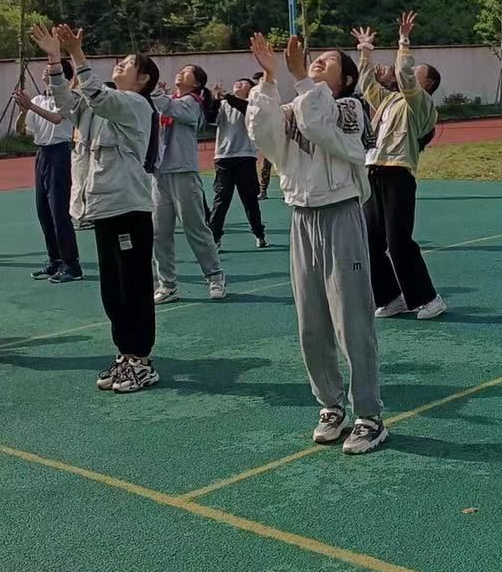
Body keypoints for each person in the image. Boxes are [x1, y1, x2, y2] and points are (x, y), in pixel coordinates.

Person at [247, 32, 385, 455]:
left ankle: (369, 415)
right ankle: (331, 405)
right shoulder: (295, 105)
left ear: (345, 77)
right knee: (311, 322)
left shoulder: (350, 108)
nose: (317, 62)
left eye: (328, 61)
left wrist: (301, 82)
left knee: (352, 319)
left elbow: (321, 129)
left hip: (340, 213)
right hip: (301, 217)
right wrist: (269, 80)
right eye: (314, 59)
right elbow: (264, 136)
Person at [49, 28, 163, 393]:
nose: (119, 65)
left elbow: (95, 94)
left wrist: (77, 53)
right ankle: (125, 354)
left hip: (128, 206)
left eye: (127, 64)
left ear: (143, 78)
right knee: (113, 289)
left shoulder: (135, 103)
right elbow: (67, 104)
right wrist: (55, 61)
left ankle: (142, 360)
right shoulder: (101, 105)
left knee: (133, 287)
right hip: (102, 206)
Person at [355, 12, 444, 321]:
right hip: (373, 171)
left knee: (398, 240)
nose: (405, 71)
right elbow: (367, 86)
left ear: (427, 83)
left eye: (414, 71)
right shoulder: (390, 100)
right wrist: (365, 53)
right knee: (371, 240)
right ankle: (391, 297)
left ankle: (429, 298)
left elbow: (405, 77)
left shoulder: (422, 104)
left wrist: (404, 42)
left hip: (397, 174)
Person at [150, 64, 226, 304]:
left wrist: (152, 91)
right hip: (160, 174)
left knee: (195, 228)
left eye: (187, 72)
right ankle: (168, 284)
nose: (180, 73)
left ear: (196, 83)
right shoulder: (167, 100)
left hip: (183, 172)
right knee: (159, 233)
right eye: (180, 70)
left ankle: (215, 276)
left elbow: (172, 109)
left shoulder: (192, 103)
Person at [17, 28, 83, 283]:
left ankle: (72, 264)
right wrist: (24, 110)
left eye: (51, 67)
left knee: (59, 211)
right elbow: (22, 130)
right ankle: (54, 260)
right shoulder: (38, 99)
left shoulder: (67, 98)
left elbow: (57, 119)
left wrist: (30, 106)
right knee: (43, 210)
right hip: (42, 153)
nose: (45, 70)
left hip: (59, 152)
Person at [207, 78, 267, 252]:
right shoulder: (224, 103)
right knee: (221, 200)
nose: (238, 84)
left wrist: (226, 97)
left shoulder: (251, 104)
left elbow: (244, 108)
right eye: (237, 82)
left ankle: (259, 233)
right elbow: (211, 118)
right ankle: (215, 237)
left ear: (250, 89)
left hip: (245, 157)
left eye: (243, 83)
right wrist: (215, 99)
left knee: (250, 200)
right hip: (223, 158)